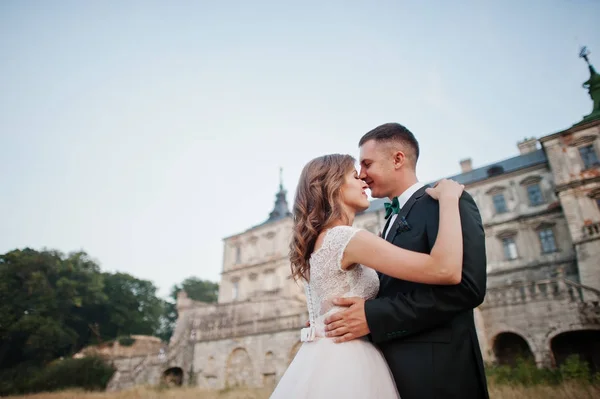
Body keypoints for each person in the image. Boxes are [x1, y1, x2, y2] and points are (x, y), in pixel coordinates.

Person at [269, 153, 466, 399]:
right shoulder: (344, 238)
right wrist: (448, 199)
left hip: (323, 355)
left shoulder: (317, 244)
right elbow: (444, 270)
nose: (363, 180)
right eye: (354, 176)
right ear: (333, 185)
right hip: (349, 358)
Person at [323, 123, 489, 399]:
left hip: (439, 374)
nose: (362, 175)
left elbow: (468, 287)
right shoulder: (387, 220)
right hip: (390, 373)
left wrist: (374, 316)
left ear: (398, 159)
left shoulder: (446, 202)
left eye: (367, 164)